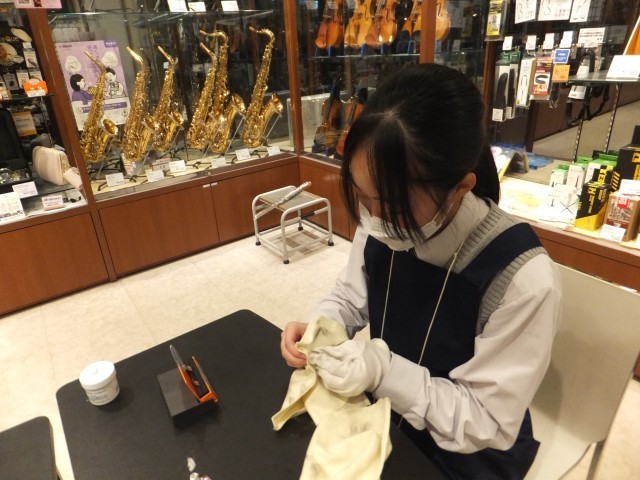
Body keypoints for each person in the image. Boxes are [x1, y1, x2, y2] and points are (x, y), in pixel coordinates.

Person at [280, 64, 562, 479]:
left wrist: (383, 370)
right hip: (387, 417)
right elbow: (350, 296)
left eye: (390, 204)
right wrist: (323, 327)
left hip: (468, 452)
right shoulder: (382, 220)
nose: (372, 218)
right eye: (363, 198)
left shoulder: (522, 280)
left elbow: (485, 420)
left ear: (460, 188)